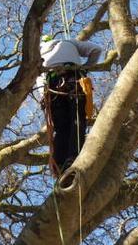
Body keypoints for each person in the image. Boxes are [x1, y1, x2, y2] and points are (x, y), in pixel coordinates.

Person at [38, 35, 102, 175]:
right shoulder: (68, 42)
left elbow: (38, 79)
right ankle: (74, 157)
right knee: (77, 120)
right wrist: (84, 68)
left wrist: (43, 97)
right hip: (73, 79)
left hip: (51, 90)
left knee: (61, 128)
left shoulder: (37, 54)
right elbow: (96, 50)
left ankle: (59, 164)